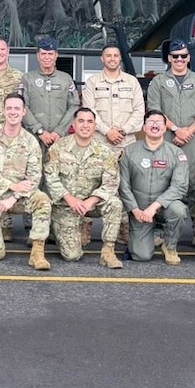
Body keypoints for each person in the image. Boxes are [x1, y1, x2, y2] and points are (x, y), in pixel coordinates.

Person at [0, 94, 53, 265]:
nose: (13, 112)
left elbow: (34, 177)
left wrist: (14, 196)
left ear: (24, 112)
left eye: (17, 108)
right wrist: (12, 185)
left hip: (19, 197)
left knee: (42, 200)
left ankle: (37, 252)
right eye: (9, 108)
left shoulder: (31, 141)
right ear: (3, 111)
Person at [45, 107, 126, 268]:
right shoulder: (58, 148)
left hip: (92, 203)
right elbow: (50, 178)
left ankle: (108, 251)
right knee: (72, 256)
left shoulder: (105, 152)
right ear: (73, 124)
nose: (85, 125)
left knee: (115, 204)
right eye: (81, 121)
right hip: (66, 205)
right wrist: (69, 198)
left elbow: (111, 182)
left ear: (95, 126)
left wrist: (91, 201)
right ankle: (58, 227)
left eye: (90, 121)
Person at [118, 111, 190, 264]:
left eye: (159, 122)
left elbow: (180, 187)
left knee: (178, 210)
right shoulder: (129, 151)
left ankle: (169, 246)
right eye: (151, 122)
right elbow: (123, 185)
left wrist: (155, 206)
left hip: (165, 206)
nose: (155, 125)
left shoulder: (176, 153)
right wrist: (134, 210)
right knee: (141, 256)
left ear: (165, 128)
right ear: (144, 127)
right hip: (140, 210)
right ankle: (152, 234)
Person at [146, 39, 195, 170]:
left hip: (192, 141)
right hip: (166, 139)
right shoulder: (158, 82)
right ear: (169, 58)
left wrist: (188, 132)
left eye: (183, 56)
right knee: (164, 179)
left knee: (193, 180)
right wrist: (176, 130)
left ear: (188, 58)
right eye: (175, 56)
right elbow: (154, 111)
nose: (179, 59)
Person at [83, 44, 145, 152]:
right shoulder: (92, 82)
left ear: (120, 58)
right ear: (102, 59)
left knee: (126, 169)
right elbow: (89, 111)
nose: (112, 59)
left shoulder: (132, 82)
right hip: (99, 143)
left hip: (127, 143)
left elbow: (139, 110)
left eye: (116, 55)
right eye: (108, 56)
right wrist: (107, 132)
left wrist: (123, 131)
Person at [21, 36, 78, 152]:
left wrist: (59, 131)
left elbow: (74, 106)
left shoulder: (66, 79)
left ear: (56, 55)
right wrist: (39, 130)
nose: (47, 57)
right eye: (43, 54)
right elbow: (22, 106)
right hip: (34, 138)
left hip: (60, 139)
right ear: (38, 56)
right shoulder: (27, 78)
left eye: (50, 54)